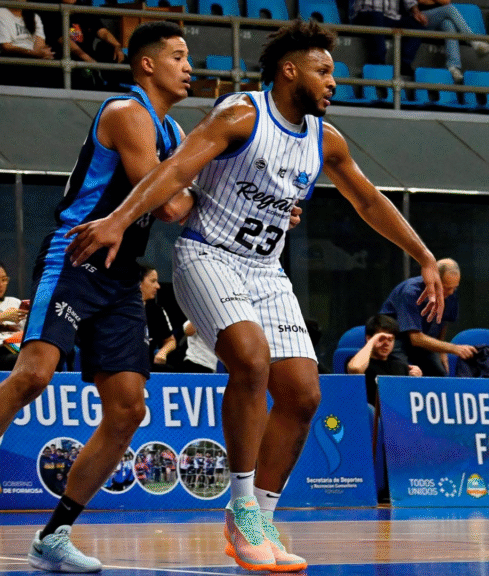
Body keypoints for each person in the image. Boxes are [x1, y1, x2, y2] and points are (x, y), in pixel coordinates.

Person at [63, 19, 446, 573]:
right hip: (208, 255)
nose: (333, 82)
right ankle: (241, 508)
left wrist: (425, 256)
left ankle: (263, 517)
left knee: (303, 394)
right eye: (323, 71)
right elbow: (176, 170)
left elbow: (368, 200)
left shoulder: (325, 139)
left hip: (266, 271)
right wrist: (119, 219)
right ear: (289, 71)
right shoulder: (241, 115)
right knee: (249, 357)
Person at [0, 21, 194, 574]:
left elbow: (187, 194)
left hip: (120, 276)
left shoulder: (174, 131)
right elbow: (170, 205)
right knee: (33, 376)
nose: (189, 67)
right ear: (147, 64)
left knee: (129, 409)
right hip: (75, 258)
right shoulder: (126, 113)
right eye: (178, 56)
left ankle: (53, 536)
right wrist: (192, 191)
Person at [381, 258, 471, 377]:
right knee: (405, 374)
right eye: (446, 288)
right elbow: (415, 338)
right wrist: (453, 348)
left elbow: (443, 320)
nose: (450, 292)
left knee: (439, 374)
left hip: (425, 340)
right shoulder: (410, 292)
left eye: (454, 287)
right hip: (395, 339)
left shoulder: (451, 292)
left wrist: (442, 351)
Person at [347, 314, 423, 405]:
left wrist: (416, 381)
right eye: (381, 339)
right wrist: (373, 340)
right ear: (369, 338)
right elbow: (355, 369)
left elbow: (408, 399)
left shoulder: (401, 366)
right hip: (368, 411)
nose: (386, 344)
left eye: (390, 340)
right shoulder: (356, 361)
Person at [415, 0, 489, 82]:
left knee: (448, 24)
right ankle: (475, 42)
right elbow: (421, 1)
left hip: (438, 17)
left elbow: (446, 1)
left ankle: (453, 67)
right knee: (449, 8)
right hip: (420, 17)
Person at [351, 0, 426, 77]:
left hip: (391, 17)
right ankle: (378, 63)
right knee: (376, 16)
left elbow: (410, 2)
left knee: (417, 23)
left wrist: (416, 12)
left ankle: (404, 64)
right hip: (365, 13)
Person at [0, 0, 58, 87]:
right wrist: (33, 53)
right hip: (11, 58)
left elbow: (40, 45)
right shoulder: (2, 13)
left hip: (32, 58)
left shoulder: (34, 16)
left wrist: (44, 53)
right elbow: (6, 47)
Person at [141, 264, 176, 371]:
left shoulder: (157, 311)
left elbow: (170, 341)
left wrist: (162, 352)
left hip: (148, 369)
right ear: (138, 283)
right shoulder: (120, 310)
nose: (158, 286)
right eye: (153, 281)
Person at [0, 261, 28, 370]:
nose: (1, 285)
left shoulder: (14, 302)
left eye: (4, 280)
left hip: (16, 347)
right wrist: (3, 317)